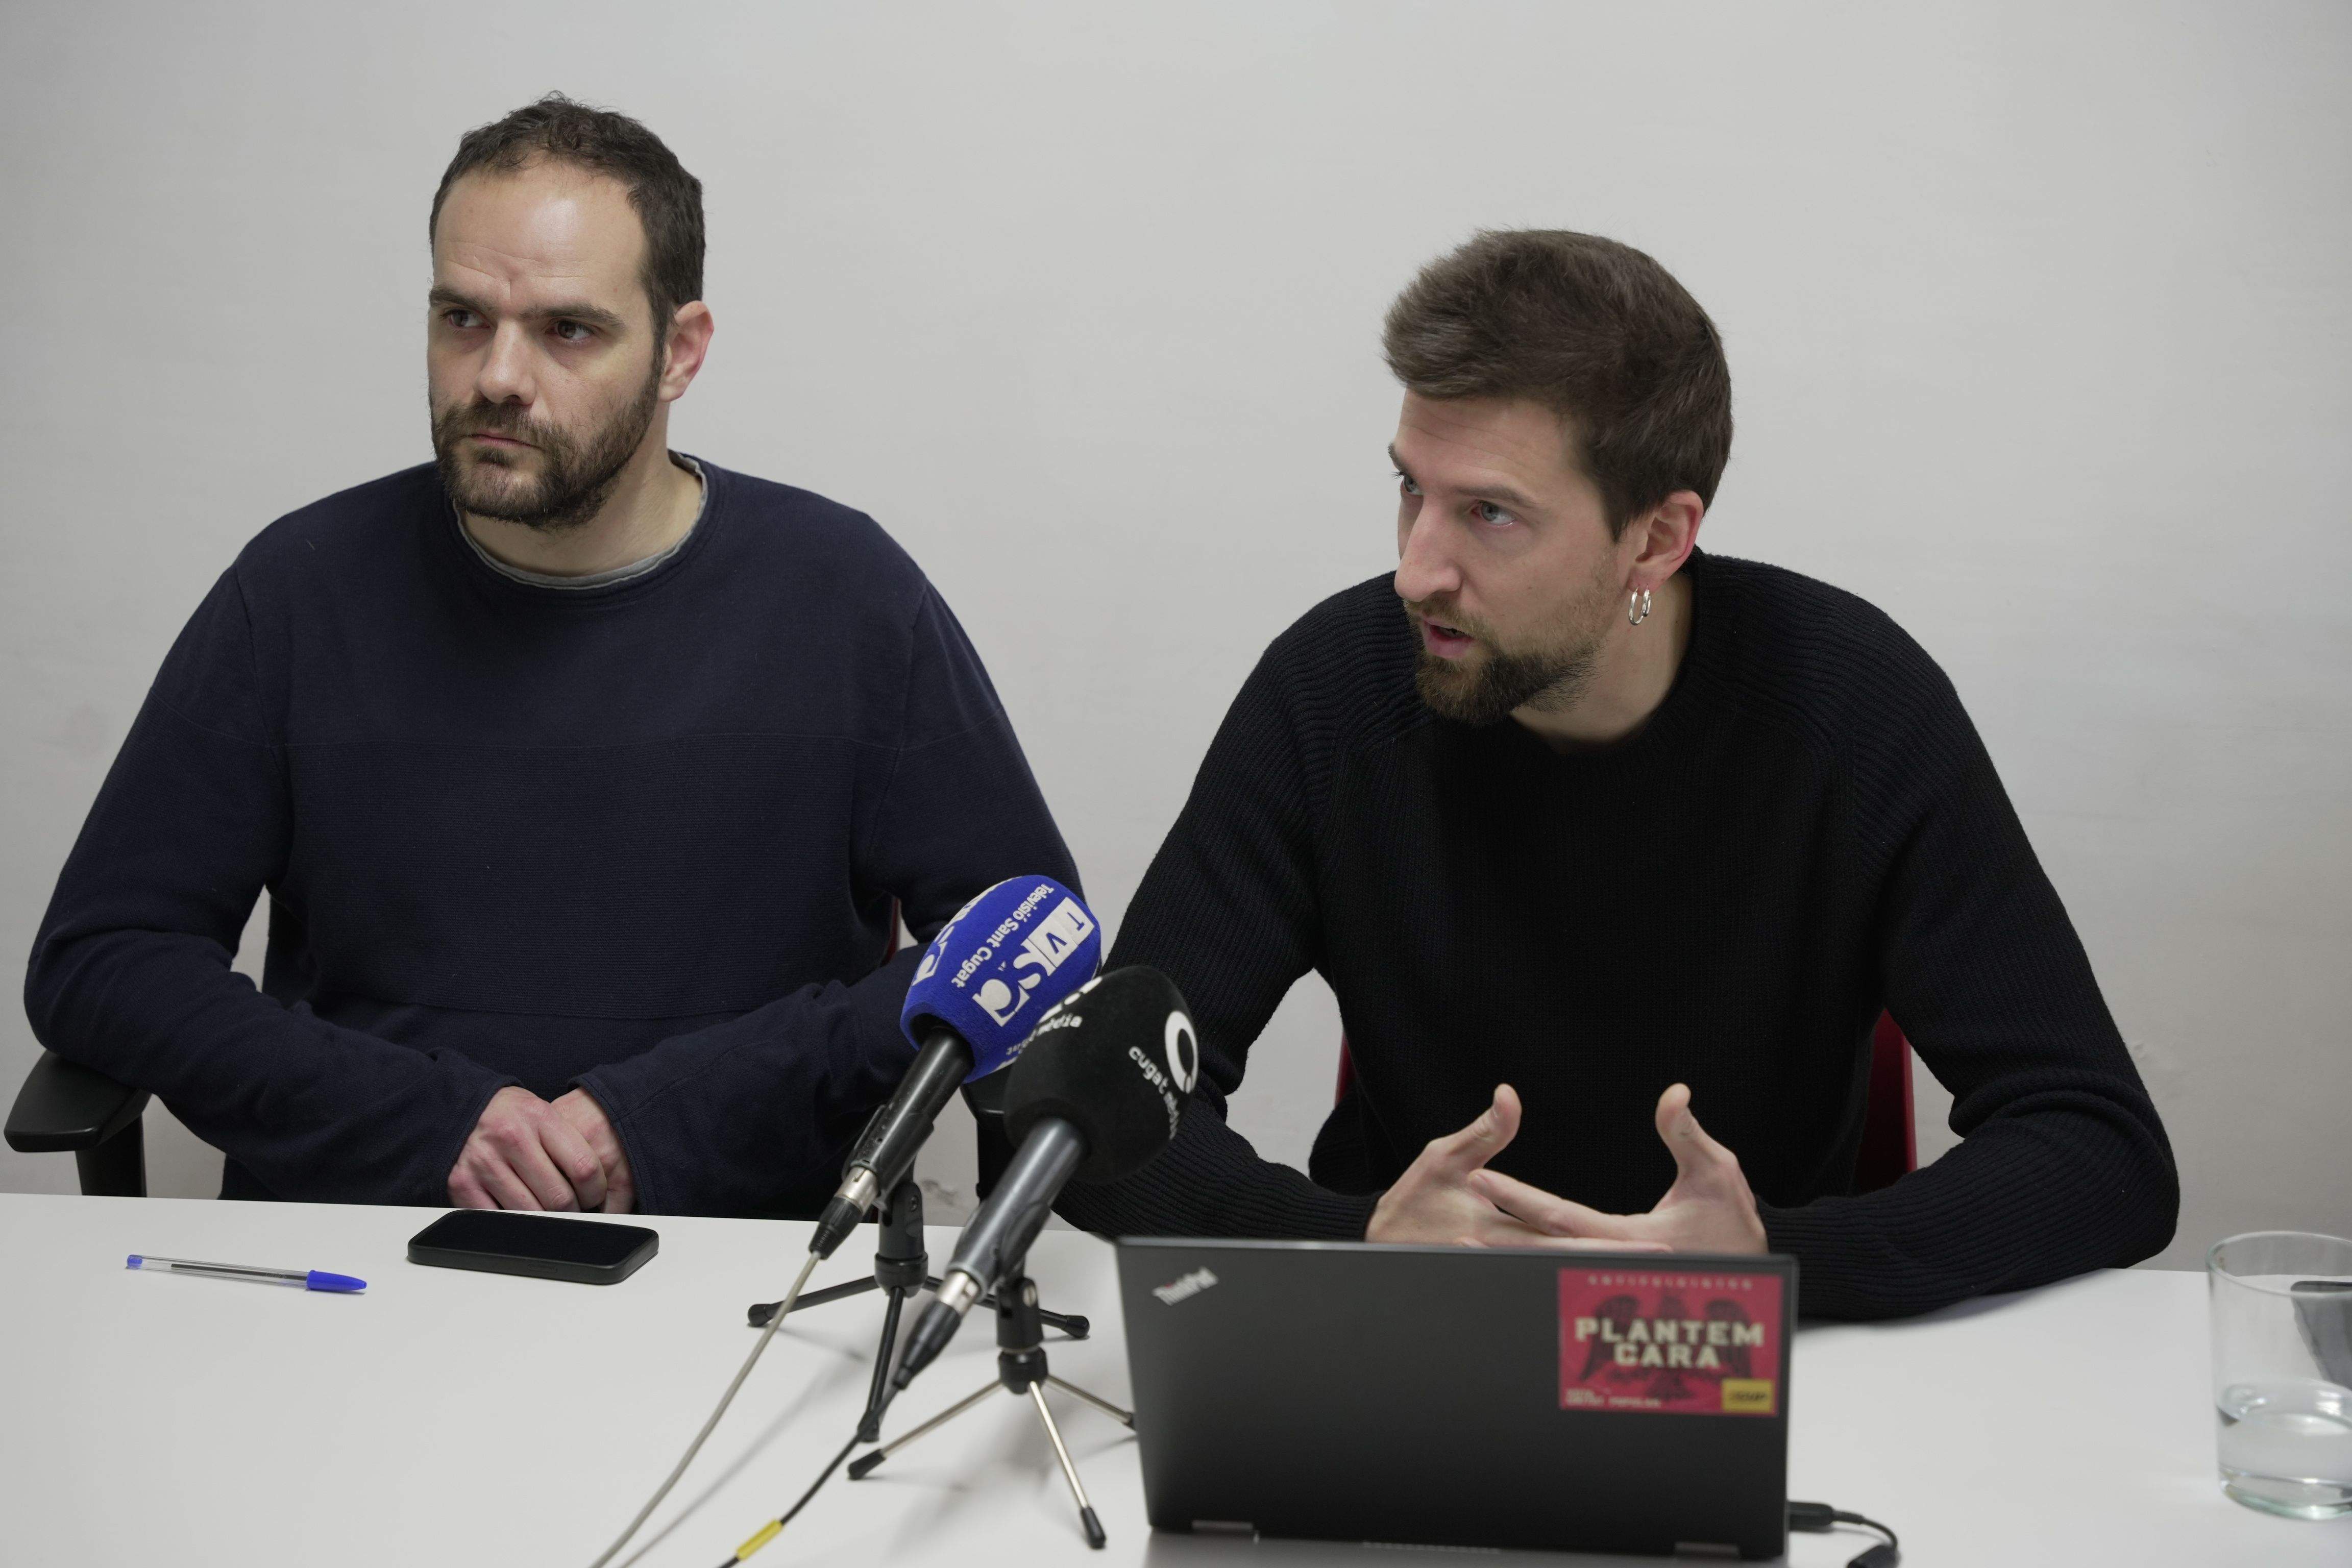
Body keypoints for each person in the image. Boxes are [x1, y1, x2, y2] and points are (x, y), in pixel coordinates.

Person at [1058, 229, 2177, 1319]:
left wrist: (1774, 1261)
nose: (1414, 570)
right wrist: (1356, 1246)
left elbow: (2100, 1149)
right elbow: (1082, 1123)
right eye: (1411, 488)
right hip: (1421, 1338)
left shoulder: (1852, 710)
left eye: (1489, 513)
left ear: (1657, 538)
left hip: (1749, 1362)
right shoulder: (1334, 692)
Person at [23, 95, 1075, 1217]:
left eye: (567, 331)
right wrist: (434, 1124)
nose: (497, 377)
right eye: (462, 319)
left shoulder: (850, 599)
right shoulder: (297, 590)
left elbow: (1034, 939)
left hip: (735, 1260)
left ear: (681, 352)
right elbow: (105, 958)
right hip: (373, 1250)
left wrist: (669, 1115)